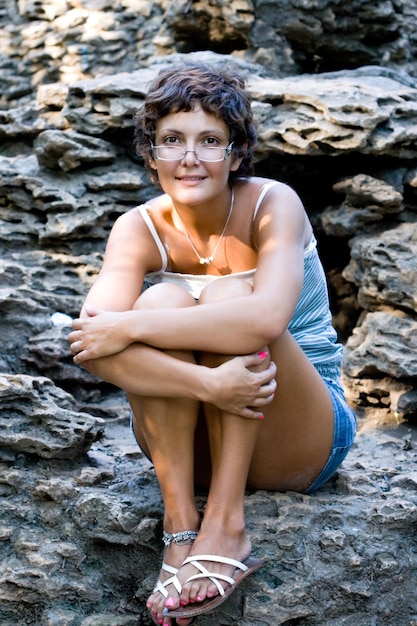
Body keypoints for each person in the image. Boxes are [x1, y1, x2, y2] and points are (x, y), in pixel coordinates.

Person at [68, 62, 357, 626]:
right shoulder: (137, 228)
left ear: (237, 153)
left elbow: (263, 320)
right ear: (150, 154)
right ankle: (181, 529)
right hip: (189, 442)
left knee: (221, 302)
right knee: (161, 302)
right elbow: (93, 346)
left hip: (298, 437)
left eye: (210, 141)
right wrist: (208, 385)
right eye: (172, 140)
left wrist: (128, 327)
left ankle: (226, 525)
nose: (190, 158)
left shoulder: (274, 205)